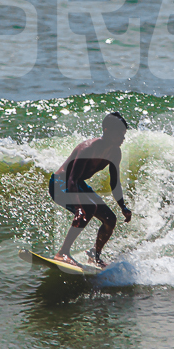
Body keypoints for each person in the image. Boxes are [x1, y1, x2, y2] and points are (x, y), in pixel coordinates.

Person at [48, 112, 132, 269]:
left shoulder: (115, 152)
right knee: (88, 208)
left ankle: (94, 255)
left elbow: (114, 182)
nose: (123, 138)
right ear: (106, 131)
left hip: (77, 184)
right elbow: (71, 179)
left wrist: (123, 206)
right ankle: (62, 253)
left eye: (124, 134)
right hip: (60, 184)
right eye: (119, 134)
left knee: (110, 219)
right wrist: (79, 208)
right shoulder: (87, 149)